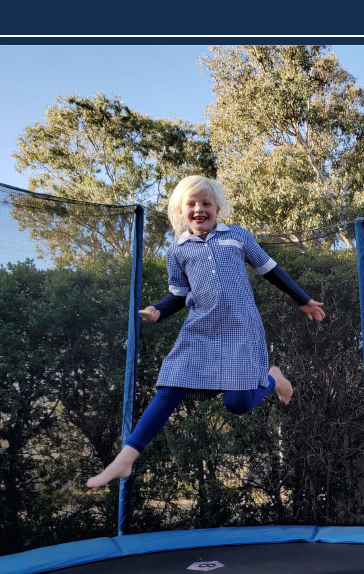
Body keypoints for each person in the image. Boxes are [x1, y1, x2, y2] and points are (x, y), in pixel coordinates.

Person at [87, 176, 326, 488]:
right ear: (180, 210)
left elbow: (271, 270)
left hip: (241, 330)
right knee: (169, 389)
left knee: (237, 405)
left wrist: (303, 299)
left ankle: (273, 378)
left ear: (217, 209)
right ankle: (125, 460)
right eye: (191, 204)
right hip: (201, 330)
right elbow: (177, 295)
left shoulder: (238, 237)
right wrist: (158, 310)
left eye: (206, 204)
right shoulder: (178, 250)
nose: (199, 209)